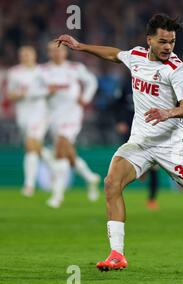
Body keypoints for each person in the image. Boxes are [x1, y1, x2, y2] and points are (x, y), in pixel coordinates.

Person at [55, 13, 183, 272]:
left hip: (171, 145)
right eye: (163, 41)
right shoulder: (137, 57)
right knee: (111, 184)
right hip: (140, 142)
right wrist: (81, 46)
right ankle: (117, 254)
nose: (168, 47)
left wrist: (168, 112)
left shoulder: (176, 69)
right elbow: (114, 54)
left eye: (172, 42)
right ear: (149, 39)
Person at [41, 41, 101, 208]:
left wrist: (86, 98)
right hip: (53, 116)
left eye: (59, 50)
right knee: (67, 153)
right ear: (48, 53)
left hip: (72, 114)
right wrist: (46, 91)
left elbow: (91, 82)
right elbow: (36, 90)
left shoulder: (75, 68)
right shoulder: (43, 71)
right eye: (53, 51)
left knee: (60, 148)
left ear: (65, 52)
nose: (56, 53)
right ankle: (90, 178)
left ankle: (57, 195)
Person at [6, 46, 55, 197]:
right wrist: (21, 94)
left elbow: (52, 90)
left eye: (28, 54)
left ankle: (29, 185)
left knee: (31, 145)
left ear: (34, 56)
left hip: (40, 113)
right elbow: (10, 95)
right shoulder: (14, 73)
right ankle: (56, 168)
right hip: (23, 114)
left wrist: (35, 93)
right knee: (34, 147)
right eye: (23, 54)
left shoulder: (43, 71)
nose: (25, 56)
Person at [113, 75, 160, 210]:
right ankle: (118, 193)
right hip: (129, 128)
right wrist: (119, 121)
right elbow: (116, 104)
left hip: (149, 127)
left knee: (154, 166)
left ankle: (152, 199)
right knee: (125, 161)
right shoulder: (126, 83)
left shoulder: (154, 82)